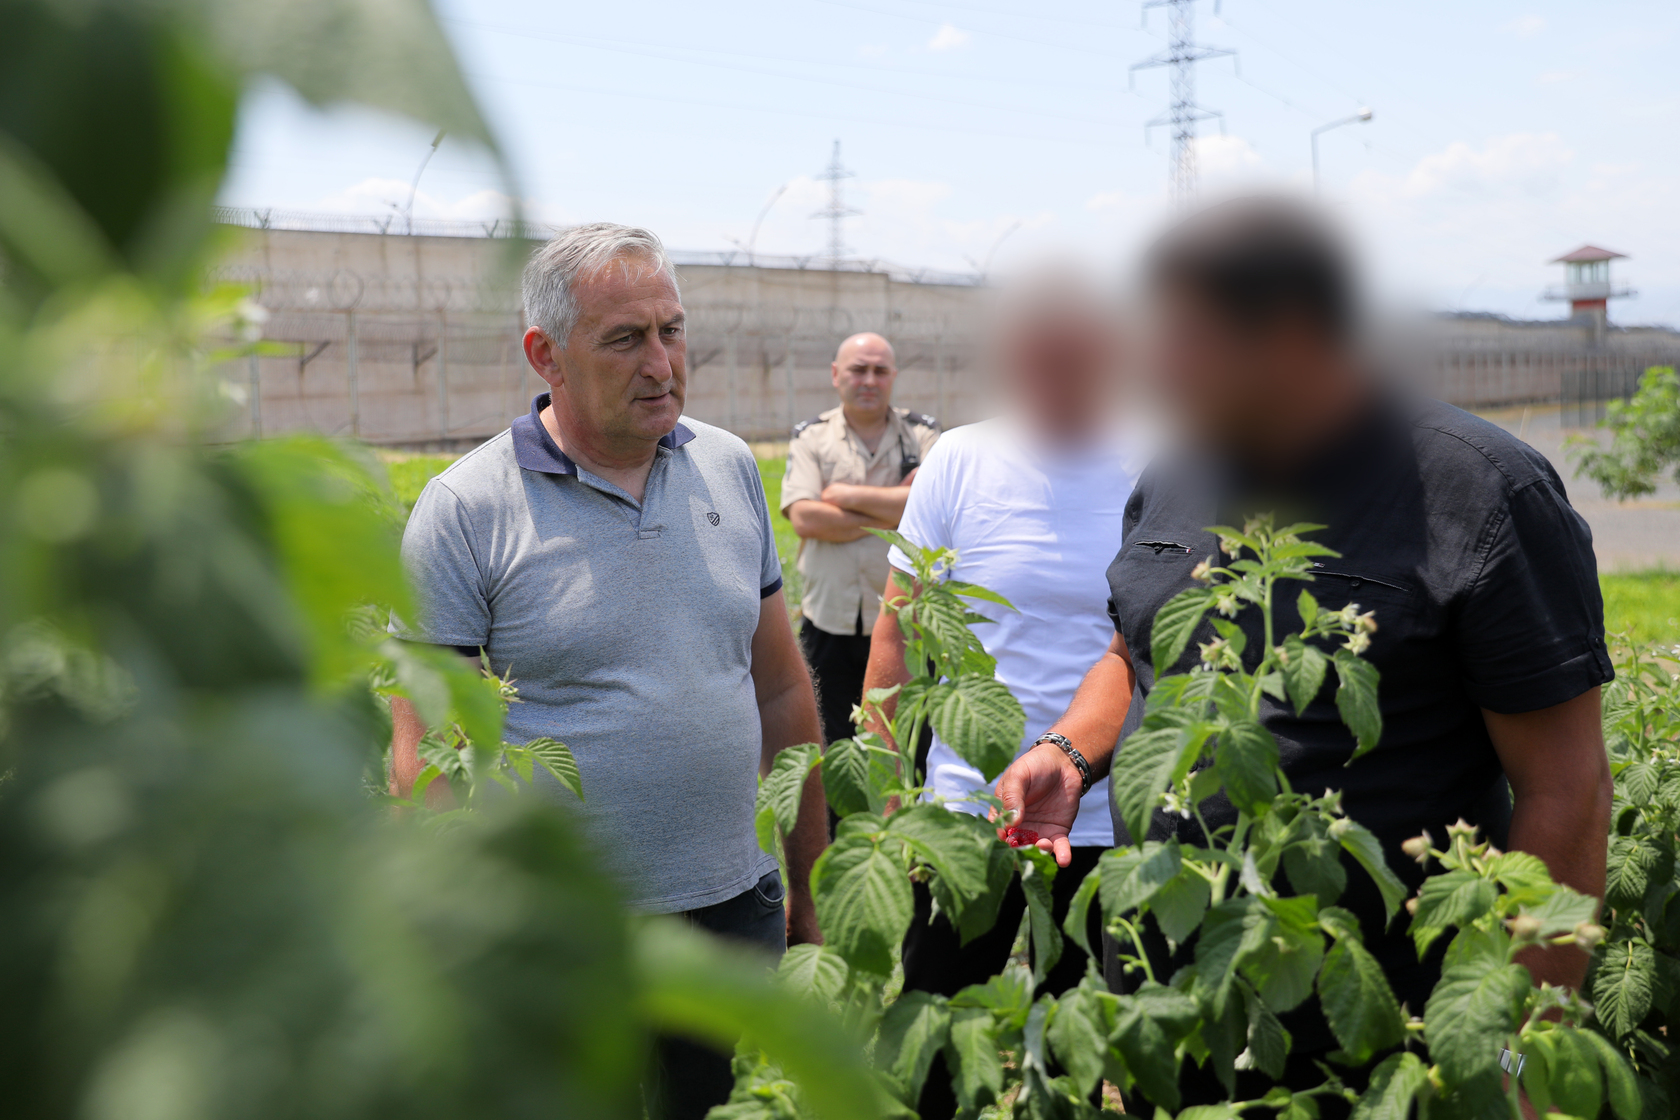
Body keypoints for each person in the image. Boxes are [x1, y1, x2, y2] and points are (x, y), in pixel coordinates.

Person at [993, 197, 1614, 1113]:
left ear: (1288, 337)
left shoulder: (1481, 492)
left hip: (1381, 1041)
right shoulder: (1176, 473)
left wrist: (1517, 1061)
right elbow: (1135, 653)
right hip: (1174, 1001)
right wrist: (1071, 752)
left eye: (1181, 338)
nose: (1152, 365)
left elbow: (1568, 789)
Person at [387, 223, 827, 1120]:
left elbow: (781, 687)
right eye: (625, 338)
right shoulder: (467, 507)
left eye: (672, 330)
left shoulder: (728, 467)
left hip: (732, 909)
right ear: (545, 354)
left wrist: (809, 882)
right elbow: (424, 754)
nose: (661, 364)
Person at [862, 274, 1148, 1120]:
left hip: (1106, 813)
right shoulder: (962, 458)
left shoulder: (1159, 460)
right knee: (932, 1044)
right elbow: (896, 631)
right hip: (968, 809)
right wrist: (891, 791)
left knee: (1080, 1051)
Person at [781, 332, 941, 751]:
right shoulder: (811, 437)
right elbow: (805, 517)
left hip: (907, 621)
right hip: (829, 620)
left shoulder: (923, 435)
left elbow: (934, 509)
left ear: (894, 376)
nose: (869, 380)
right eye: (858, 369)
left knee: (908, 747)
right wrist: (898, 508)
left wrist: (843, 496)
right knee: (835, 747)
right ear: (836, 374)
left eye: (880, 370)